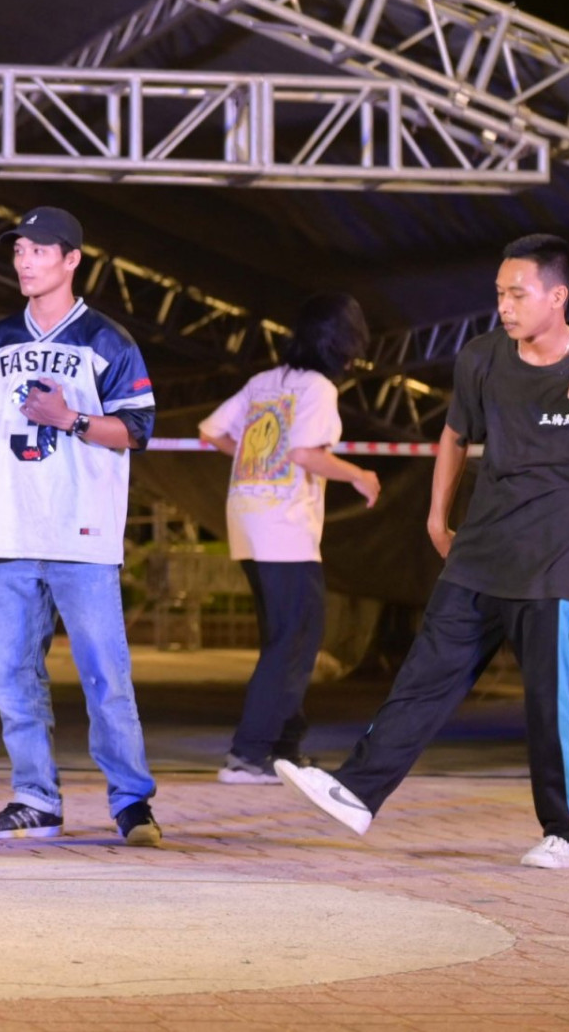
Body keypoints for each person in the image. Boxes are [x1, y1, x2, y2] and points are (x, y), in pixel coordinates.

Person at [278, 235, 569, 869]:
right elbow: (455, 435)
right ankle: (359, 793)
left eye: (518, 294)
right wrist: (435, 516)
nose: (504, 306)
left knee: (547, 702)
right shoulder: (481, 358)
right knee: (423, 678)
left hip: (551, 566)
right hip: (478, 553)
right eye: (499, 294)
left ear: (557, 297)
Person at [0, 205, 163, 846]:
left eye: (39, 250)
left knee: (104, 675)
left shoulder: (106, 342)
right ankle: (35, 798)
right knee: (10, 676)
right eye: (19, 251)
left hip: (83, 537)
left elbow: (138, 429)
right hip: (11, 537)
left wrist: (73, 420)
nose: (26, 261)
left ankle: (132, 804)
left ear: (71, 260)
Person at [198, 294, 382, 784]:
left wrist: (252, 459)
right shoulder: (318, 388)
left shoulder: (264, 382)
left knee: (287, 638)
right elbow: (305, 454)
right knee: (295, 640)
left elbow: (211, 429)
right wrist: (359, 474)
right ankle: (248, 755)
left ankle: (282, 749)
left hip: (247, 519)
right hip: (285, 528)